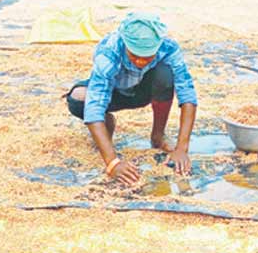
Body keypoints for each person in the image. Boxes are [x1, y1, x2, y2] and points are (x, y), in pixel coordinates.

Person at [66, 13, 198, 186]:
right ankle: (107, 125)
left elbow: (187, 93)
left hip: (142, 92)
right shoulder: (109, 51)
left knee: (165, 75)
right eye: (134, 55)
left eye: (147, 56)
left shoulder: (168, 47)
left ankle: (158, 136)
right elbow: (95, 104)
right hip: (113, 93)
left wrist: (182, 148)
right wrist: (113, 163)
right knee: (78, 99)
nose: (140, 61)